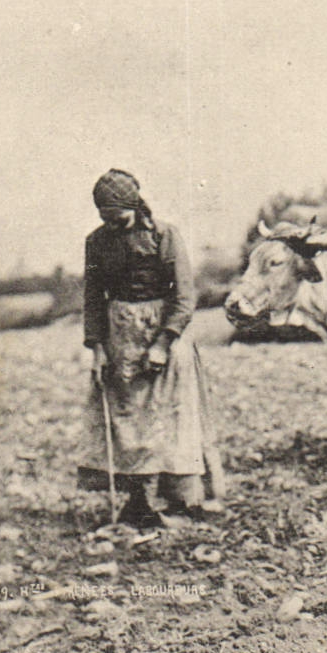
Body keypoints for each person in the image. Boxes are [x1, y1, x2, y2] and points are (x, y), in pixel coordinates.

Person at [81, 169, 223, 527]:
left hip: (165, 335)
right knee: (127, 419)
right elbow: (93, 299)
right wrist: (98, 348)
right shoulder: (96, 243)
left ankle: (179, 501)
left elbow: (185, 297)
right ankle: (139, 499)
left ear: (134, 207)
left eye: (119, 219)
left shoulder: (165, 236)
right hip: (120, 339)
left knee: (170, 415)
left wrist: (163, 342)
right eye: (105, 219)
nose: (112, 226)